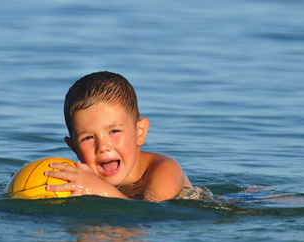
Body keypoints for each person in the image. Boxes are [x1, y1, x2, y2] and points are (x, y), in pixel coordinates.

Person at [45, 71, 213, 202]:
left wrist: (100, 190)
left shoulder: (164, 169)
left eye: (114, 131)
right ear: (73, 146)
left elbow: (151, 216)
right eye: (88, 138)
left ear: (140, 133)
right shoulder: (85, 175)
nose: (103, 146)